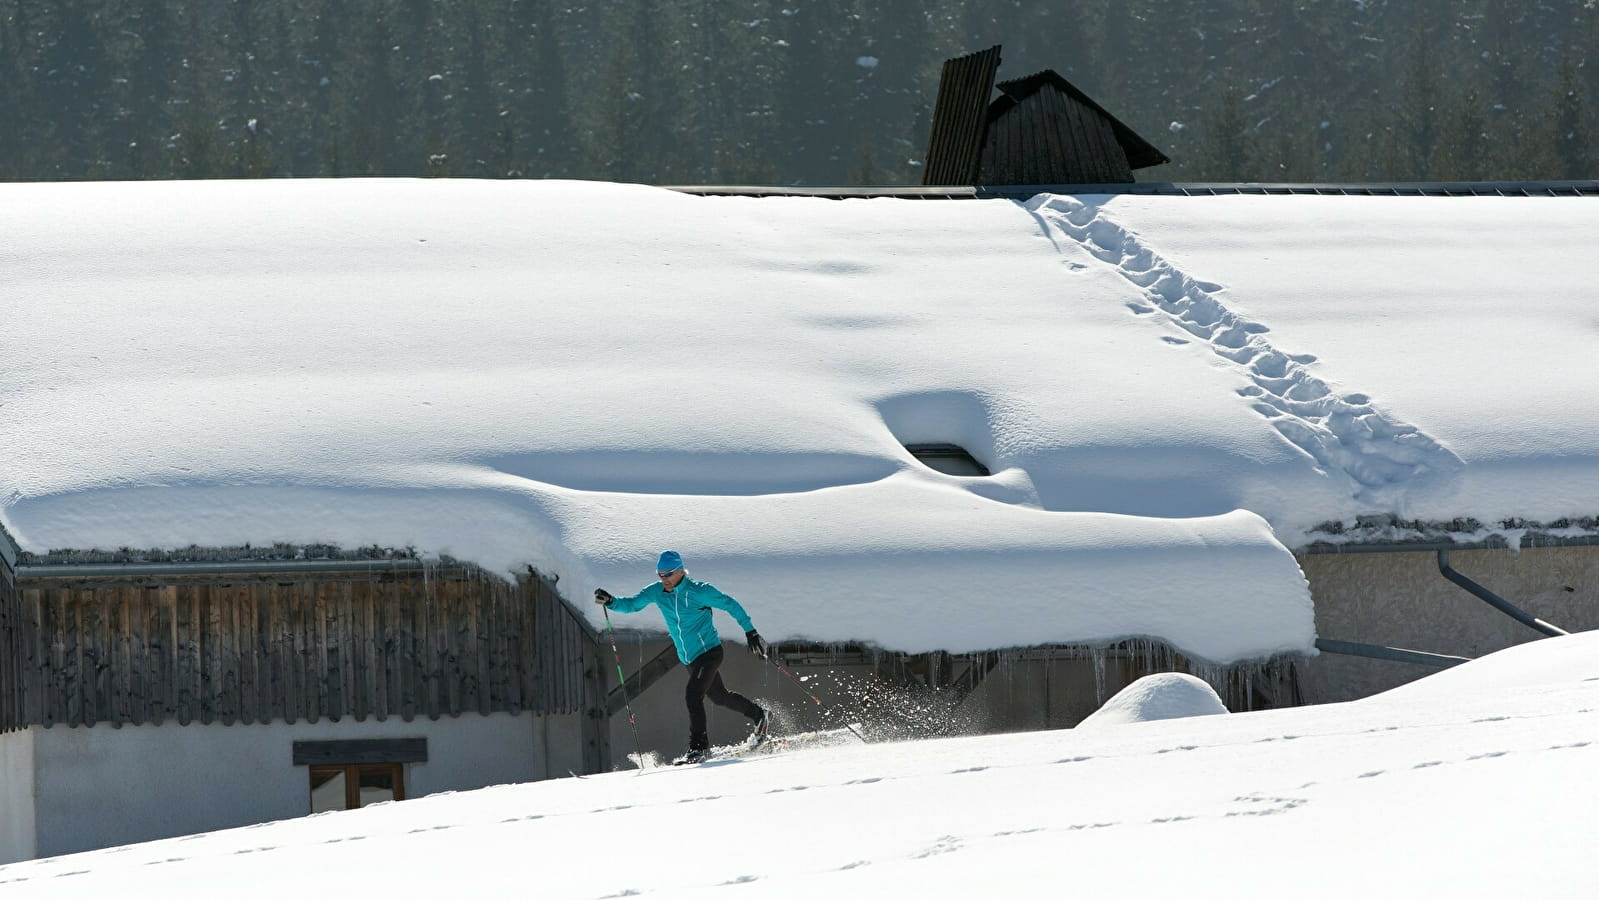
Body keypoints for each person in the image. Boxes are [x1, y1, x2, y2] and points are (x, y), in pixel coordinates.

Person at [595, 550, 770, 763]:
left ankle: (699, 748)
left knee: (692, 696)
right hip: (690, 659)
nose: (664, 579)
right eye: (660, 574)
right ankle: (760, 715)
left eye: (668, 574)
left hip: (709, 653)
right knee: (719, 697)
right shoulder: (657, 591)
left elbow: (729, 604)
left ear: (680, 571)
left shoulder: (699, 591)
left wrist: (750, 631)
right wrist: (611, 601)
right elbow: (632, 604)